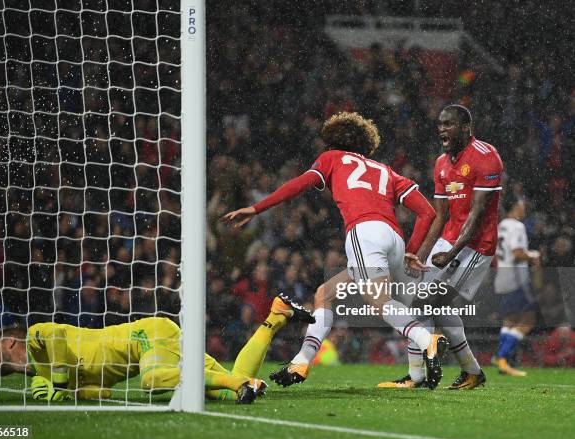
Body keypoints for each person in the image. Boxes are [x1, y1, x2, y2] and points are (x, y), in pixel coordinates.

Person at [223, 111, 448, 389]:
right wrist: (411, 250)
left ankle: (429, 341)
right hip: (394, 237)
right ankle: (304, 360)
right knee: (325, 293)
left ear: (333, 141)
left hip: (364, 234)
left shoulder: (332, 158)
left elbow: (298, 184)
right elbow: (427, 213)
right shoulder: (386, 170)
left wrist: (257, 208)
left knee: (380, 303)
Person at [0, 294, 313, 404]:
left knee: (151, 380)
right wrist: (70, 392)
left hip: (145, 336)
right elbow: (102, 392)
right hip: (156, 347)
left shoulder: (36, 336)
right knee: (231, 387)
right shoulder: (43, 371)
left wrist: (57, 380)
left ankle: (239, 383)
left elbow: (57, 334)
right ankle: (275, 315)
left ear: (10, 342)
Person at [378, 104, 503, 390]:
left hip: (476, 246)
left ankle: (417, 377)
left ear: (466, 127)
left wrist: (453, 252)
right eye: (440, 124)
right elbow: (440, 215)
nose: (442, 129)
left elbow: (478, 213)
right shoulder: (441, 164)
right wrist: (419, 255)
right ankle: (472, 372)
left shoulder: (487, 157)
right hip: (449, 239)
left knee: (425, 303)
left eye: (448, 124)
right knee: (423, 301)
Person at [493, 194, 540, 376]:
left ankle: (503, 359)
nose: (524, 207)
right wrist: (533, 256)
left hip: (502, 277)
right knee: (528, 320)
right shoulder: (517, 226)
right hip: (516, 278)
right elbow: (517, 252)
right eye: (522, 204)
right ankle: (503, 357)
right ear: (515, 207)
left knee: (509, 320)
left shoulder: (502, 225)